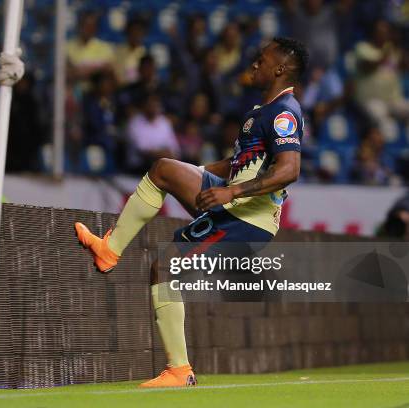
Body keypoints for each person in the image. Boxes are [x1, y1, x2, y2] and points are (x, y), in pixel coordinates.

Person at [75, 37, 308, 388]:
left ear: (280, 69)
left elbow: (289, 169)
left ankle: (179, 371)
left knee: (165, 268)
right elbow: (238, 163)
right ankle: (110, 250)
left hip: (247, 221)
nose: (255, 63)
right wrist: (196, 174)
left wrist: (231, 191)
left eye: (263, 60)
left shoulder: (285, 111)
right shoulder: (262, 110)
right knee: (165, 169)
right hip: (233, 205)